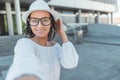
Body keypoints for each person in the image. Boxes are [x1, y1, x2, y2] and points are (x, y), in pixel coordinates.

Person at [5, 0, 79, 80]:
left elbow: (71, 63)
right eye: (34, 21)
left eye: (45, 20)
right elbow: (24, 63)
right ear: (29, 24)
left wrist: (61, 32)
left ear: (51, 23)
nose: (40, 26)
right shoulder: (24, 44)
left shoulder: (56, 47)